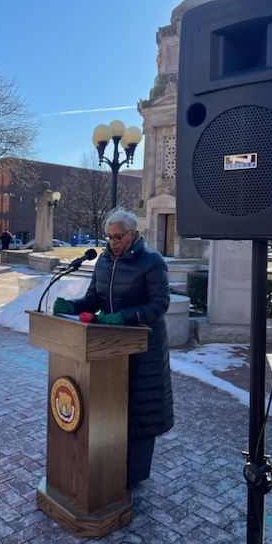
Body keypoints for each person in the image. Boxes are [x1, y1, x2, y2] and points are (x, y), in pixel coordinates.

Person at [53, 208, 174, 487]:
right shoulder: (105, 261)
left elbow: (160, 305)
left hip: (145, 349)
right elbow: (93, 298)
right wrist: (72, 306)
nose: (113, 243)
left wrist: (125, 316)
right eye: (109, 237)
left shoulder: (152, 261)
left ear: (133, 234)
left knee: (140, 411)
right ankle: (109, 464)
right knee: (111, 407)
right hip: (109, 348)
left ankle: (134, 475)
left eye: (118, 237)